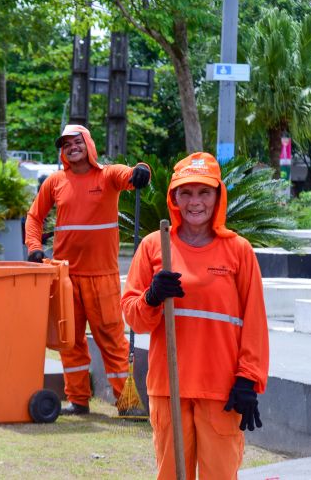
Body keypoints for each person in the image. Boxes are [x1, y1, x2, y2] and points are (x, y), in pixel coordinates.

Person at [121, 152, 269, 479]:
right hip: (168, 386)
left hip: (223, 390)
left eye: (204, 192)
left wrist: (248, 379)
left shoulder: (239, 251)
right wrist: (152, 297)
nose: (195, 201)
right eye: (185, 192)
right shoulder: (153, 247)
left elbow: (255, 322)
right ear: (173, 197)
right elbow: (134, 318)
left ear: (218, 196)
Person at [24, 124, 151, 415]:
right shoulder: (55, 181)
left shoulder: (107, 175)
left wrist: (141, 170)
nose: (72, 147)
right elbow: (34, 218)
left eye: (76, 141)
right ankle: (79, 400)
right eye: (66, 144)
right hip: (64, 278)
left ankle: (128, 404)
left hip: (102, 277)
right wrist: (34, 247)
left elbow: (131, 173)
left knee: (112, 341)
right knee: (69, 342)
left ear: (88, 144)